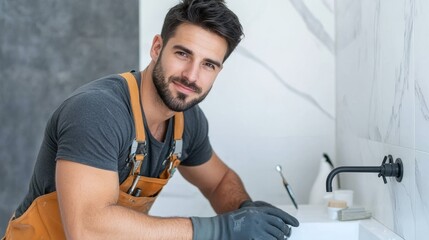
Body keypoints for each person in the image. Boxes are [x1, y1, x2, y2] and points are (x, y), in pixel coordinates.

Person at [3, 0, 299, 239]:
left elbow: (219, 181)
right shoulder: (97, 111)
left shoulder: (188, 122)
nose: (191, 76)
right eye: (183, 54)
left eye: (208, 64)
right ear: (157, 48)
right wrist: (220, 229)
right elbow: (87, 229)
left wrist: (244, 210)